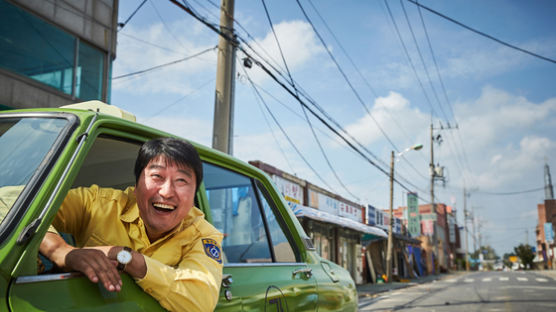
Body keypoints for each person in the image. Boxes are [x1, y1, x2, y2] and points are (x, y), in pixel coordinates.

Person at [39, 137, 223, 312]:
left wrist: (125, 258)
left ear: (193, 197)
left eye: (181, 181)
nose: (167, 192)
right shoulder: (98, 204)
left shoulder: (203, 234)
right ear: (136, 186)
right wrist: (61, 251)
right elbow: (12, 201)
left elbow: (200, 300)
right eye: (157, 176)